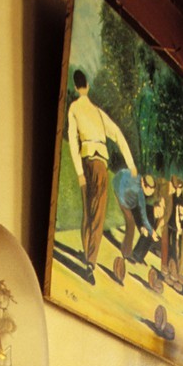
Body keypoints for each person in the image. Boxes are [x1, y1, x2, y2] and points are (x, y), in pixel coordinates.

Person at [66, 71, 136, 275]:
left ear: (76, 86)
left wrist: (79, 171)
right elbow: (118, 135)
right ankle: (90, 260)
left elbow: (73, 142)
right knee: (97, 213)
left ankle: (88, 255)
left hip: (86, 160)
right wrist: (131, 163)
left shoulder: (74, 108)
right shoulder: (96, 112)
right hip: (99, 165)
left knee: (88, 210)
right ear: (87, 86)